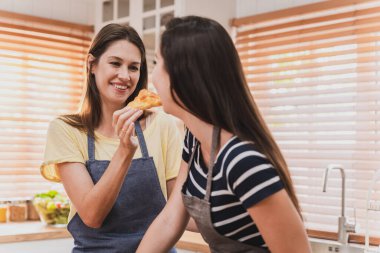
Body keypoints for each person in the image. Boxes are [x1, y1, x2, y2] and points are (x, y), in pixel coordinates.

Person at [136, 16, 312, 253]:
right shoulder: (194, 140)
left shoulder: (242, 161)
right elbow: (170, 220)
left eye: (158, 63)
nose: (153, 77)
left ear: (184, 78)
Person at [40, 23, 182, 253]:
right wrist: (125, 152)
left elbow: (179, 210)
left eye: (134, 67)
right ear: (92, 64)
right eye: (115, 63)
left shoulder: (163, 125)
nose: (125, 76)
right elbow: (92, 215)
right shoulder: (65, 130)